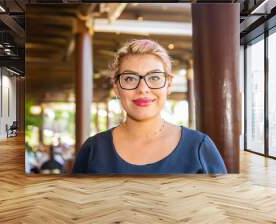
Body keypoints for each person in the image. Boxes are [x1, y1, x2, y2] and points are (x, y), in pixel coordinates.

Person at [72, 39, 227, 174]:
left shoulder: (198, 147)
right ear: (116, 87)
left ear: (169, 84)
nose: (143, 89)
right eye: (130, 78)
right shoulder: (93, 149)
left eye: (154, 77)